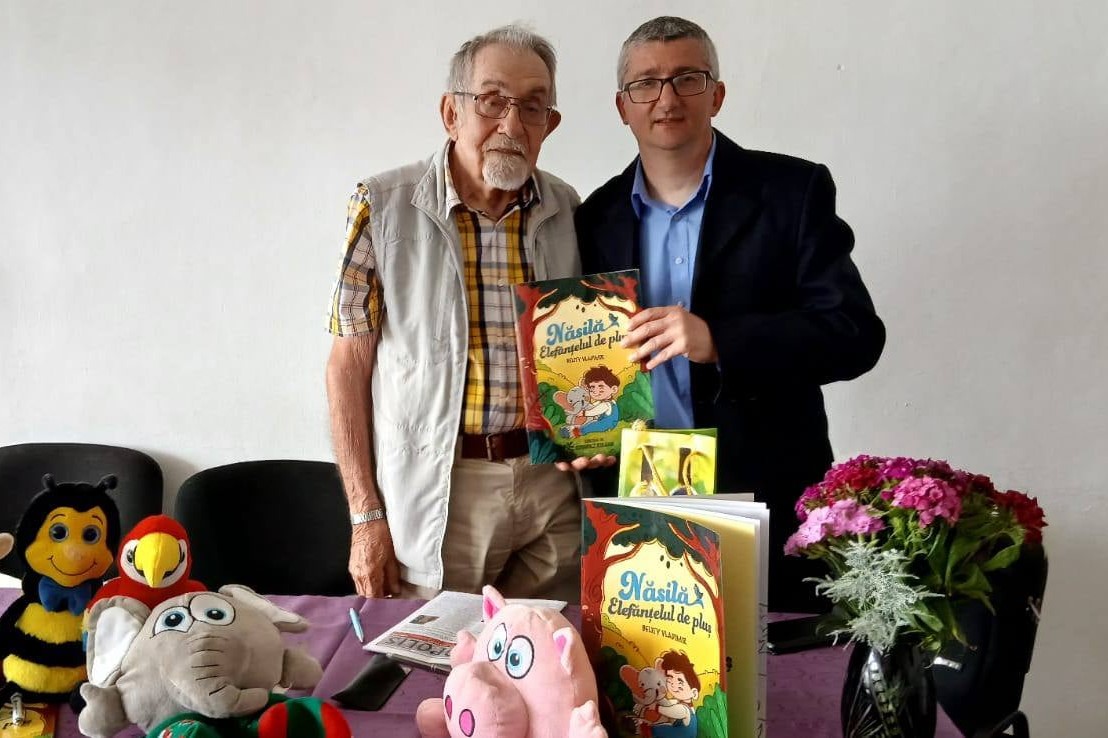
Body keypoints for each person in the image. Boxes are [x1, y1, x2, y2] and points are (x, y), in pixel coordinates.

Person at [574, 16, 886, 612]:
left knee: (776, 662)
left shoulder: (792, 192)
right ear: (622, 107)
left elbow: (854, 334)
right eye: (646, 83)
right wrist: (587, 435)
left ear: (717, 94)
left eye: (687, 78)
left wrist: (719, 340)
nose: (667, 98)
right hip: (639, 495)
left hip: (765, 486)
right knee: (653, 666)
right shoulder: (593, 218)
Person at [326, 25, 582, 601]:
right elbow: (347, 366)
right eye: (491, 101)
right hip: (444, 486)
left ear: (550, 124)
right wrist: (365, 516)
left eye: (533, 107)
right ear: (451, 112)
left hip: (552, 485)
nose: (511, 124)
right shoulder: (382, 206)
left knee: (553, 644)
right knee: (439, 651)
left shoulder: (567, 208)